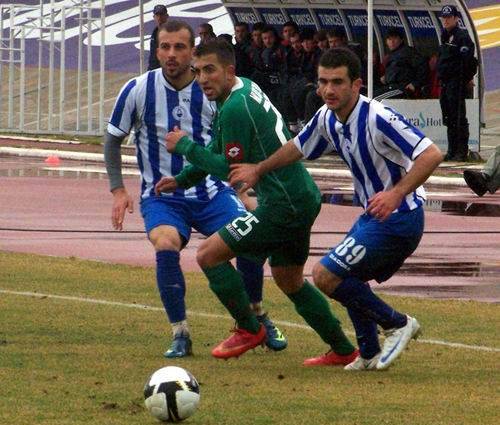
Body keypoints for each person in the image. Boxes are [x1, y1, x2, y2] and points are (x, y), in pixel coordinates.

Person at [229, 48, 444, 370]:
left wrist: (397, 193)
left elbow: (431, 153)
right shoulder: (328, 117)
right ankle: (369, 352)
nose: (329, 90)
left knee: (325, 274)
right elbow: (298, 147)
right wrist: (259, 170)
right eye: (323, 82)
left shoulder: (377, 117)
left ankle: (397, 323)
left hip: (400, 218)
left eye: (338, 82)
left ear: (357, 84)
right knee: (347, 274)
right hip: (373, 216)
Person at [155, 40, 358, 364]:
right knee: (289, 279)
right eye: (197, 71)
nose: (203, 78)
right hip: (301, 195)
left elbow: (233, 173)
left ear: (229, 70)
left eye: (210, 70)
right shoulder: (242, 90)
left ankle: (249, 328)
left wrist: (185, 148)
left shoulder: (235, 108)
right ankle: (344, 351)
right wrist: (182, 180)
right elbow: (223, 151)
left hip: (282, 204)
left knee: (209, 254)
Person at [105, 20, 287, 359]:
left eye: (179, 47)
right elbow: (112, 139)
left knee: (247, 241)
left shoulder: (212, 92)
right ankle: (181, 333)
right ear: (156, 50)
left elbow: (231, 148)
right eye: (164, 47)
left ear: (192, 52)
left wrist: (244, 190)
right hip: (163, 198)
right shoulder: (137, 89)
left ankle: (254, 316)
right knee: (166, 242)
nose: (171, 54)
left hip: (212, 193)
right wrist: (118, 189)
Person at [437, 5, 477, 162]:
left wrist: (466, 79)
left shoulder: (462, 37)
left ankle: (461, 151)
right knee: (448, 117)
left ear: (456, 18)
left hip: (456, 82)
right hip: (445, 82)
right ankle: (452, 150)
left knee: (459, 116)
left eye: (448, 17)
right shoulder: (444, 36)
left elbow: (468, 61)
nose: (445, 20)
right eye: (443, 18)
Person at [374, 27, 428, 100]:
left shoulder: (409, 52)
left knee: (375, 99)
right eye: (389, 39)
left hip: (402, 88)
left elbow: (423, 67)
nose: (392, 42)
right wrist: (386, 77)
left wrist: (415, 84)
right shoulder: (392, 54)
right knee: (370, 96)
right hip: (391, 87)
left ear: (401, 40)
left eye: (395, 39)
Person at [147, 5, 169, 71]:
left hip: (165, 70)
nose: (159, 17)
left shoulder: (171, 32)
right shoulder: (154, 32)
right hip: (153, 69)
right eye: (157, 15)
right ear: (154, 17)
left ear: (167, 16)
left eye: (162, 14)